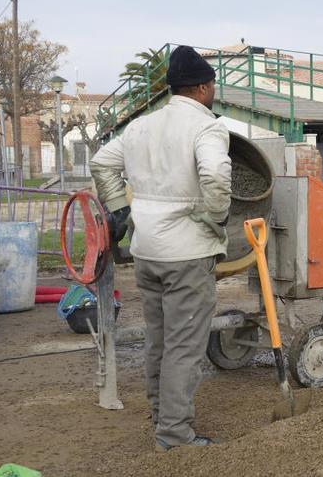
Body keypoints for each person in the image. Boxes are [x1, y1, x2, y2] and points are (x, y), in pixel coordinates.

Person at [90, 45, 232, 450]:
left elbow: (101, 162)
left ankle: (160, 414)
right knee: (185, 347)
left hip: (147, 251)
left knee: (160, 338)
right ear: (203, 88)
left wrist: (120, 208)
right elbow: (218, 177)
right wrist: (215, 218)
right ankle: (173, 435)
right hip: (187, 254)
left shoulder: (140, 127)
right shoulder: (206, 127)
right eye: (213, 86)